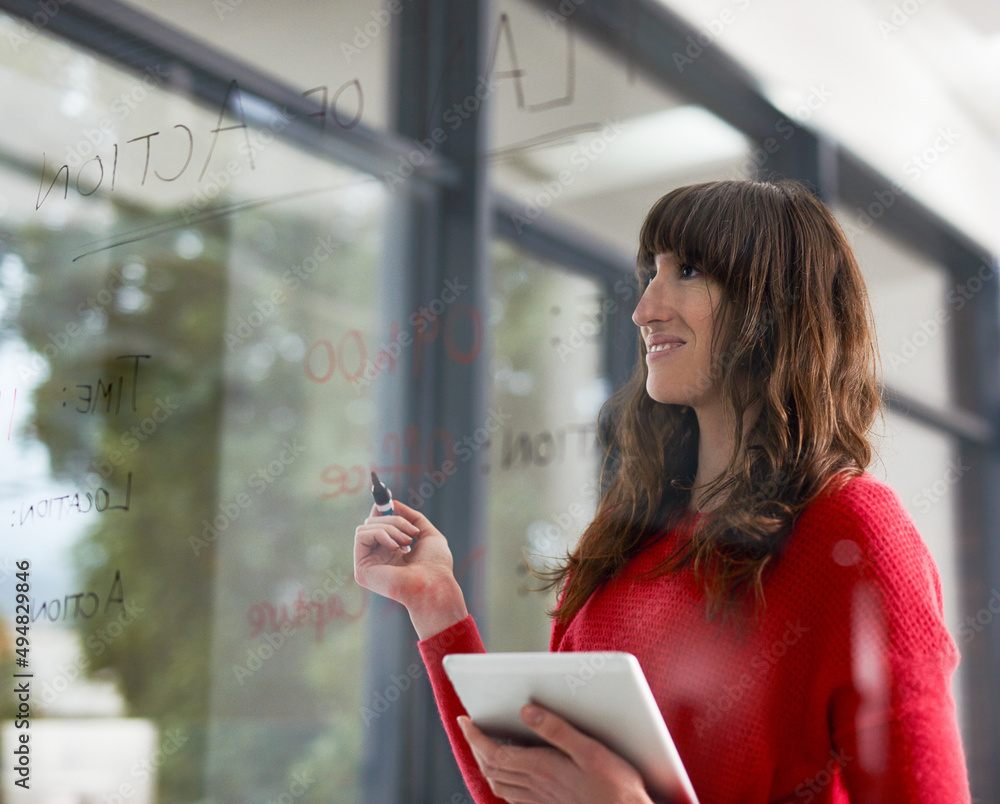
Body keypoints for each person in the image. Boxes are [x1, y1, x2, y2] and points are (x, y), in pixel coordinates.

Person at [354, 179, 971, 803]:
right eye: (652, 271)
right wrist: (435, 604)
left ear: (777, 307)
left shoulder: (853, 531)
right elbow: (522, 788)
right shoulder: (624, 531)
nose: (645, 307)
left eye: (690, 271)